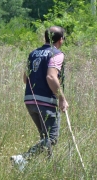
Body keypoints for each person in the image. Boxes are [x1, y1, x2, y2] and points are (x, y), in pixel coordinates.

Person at [11, 26, 69, 170]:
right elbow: (51, 76)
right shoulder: (57, 54)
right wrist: (61, 98)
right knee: (52, 138)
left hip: (30, 99)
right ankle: (23, 158)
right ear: (60, 40)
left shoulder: (33, 53)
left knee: (45, 138)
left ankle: (50, 168)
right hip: (46, 101)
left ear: (45, 38)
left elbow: (25, 79)